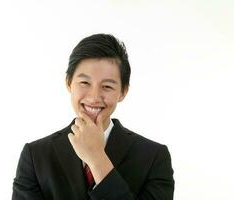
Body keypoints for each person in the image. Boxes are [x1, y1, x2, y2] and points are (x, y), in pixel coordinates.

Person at [12, 33, 174, 200]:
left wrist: (97, 158)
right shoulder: (36, 155)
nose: (94, 97)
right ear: (68, 83)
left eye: (107, 86)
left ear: (123, 91)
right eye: (85, 83)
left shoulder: (154, 156)